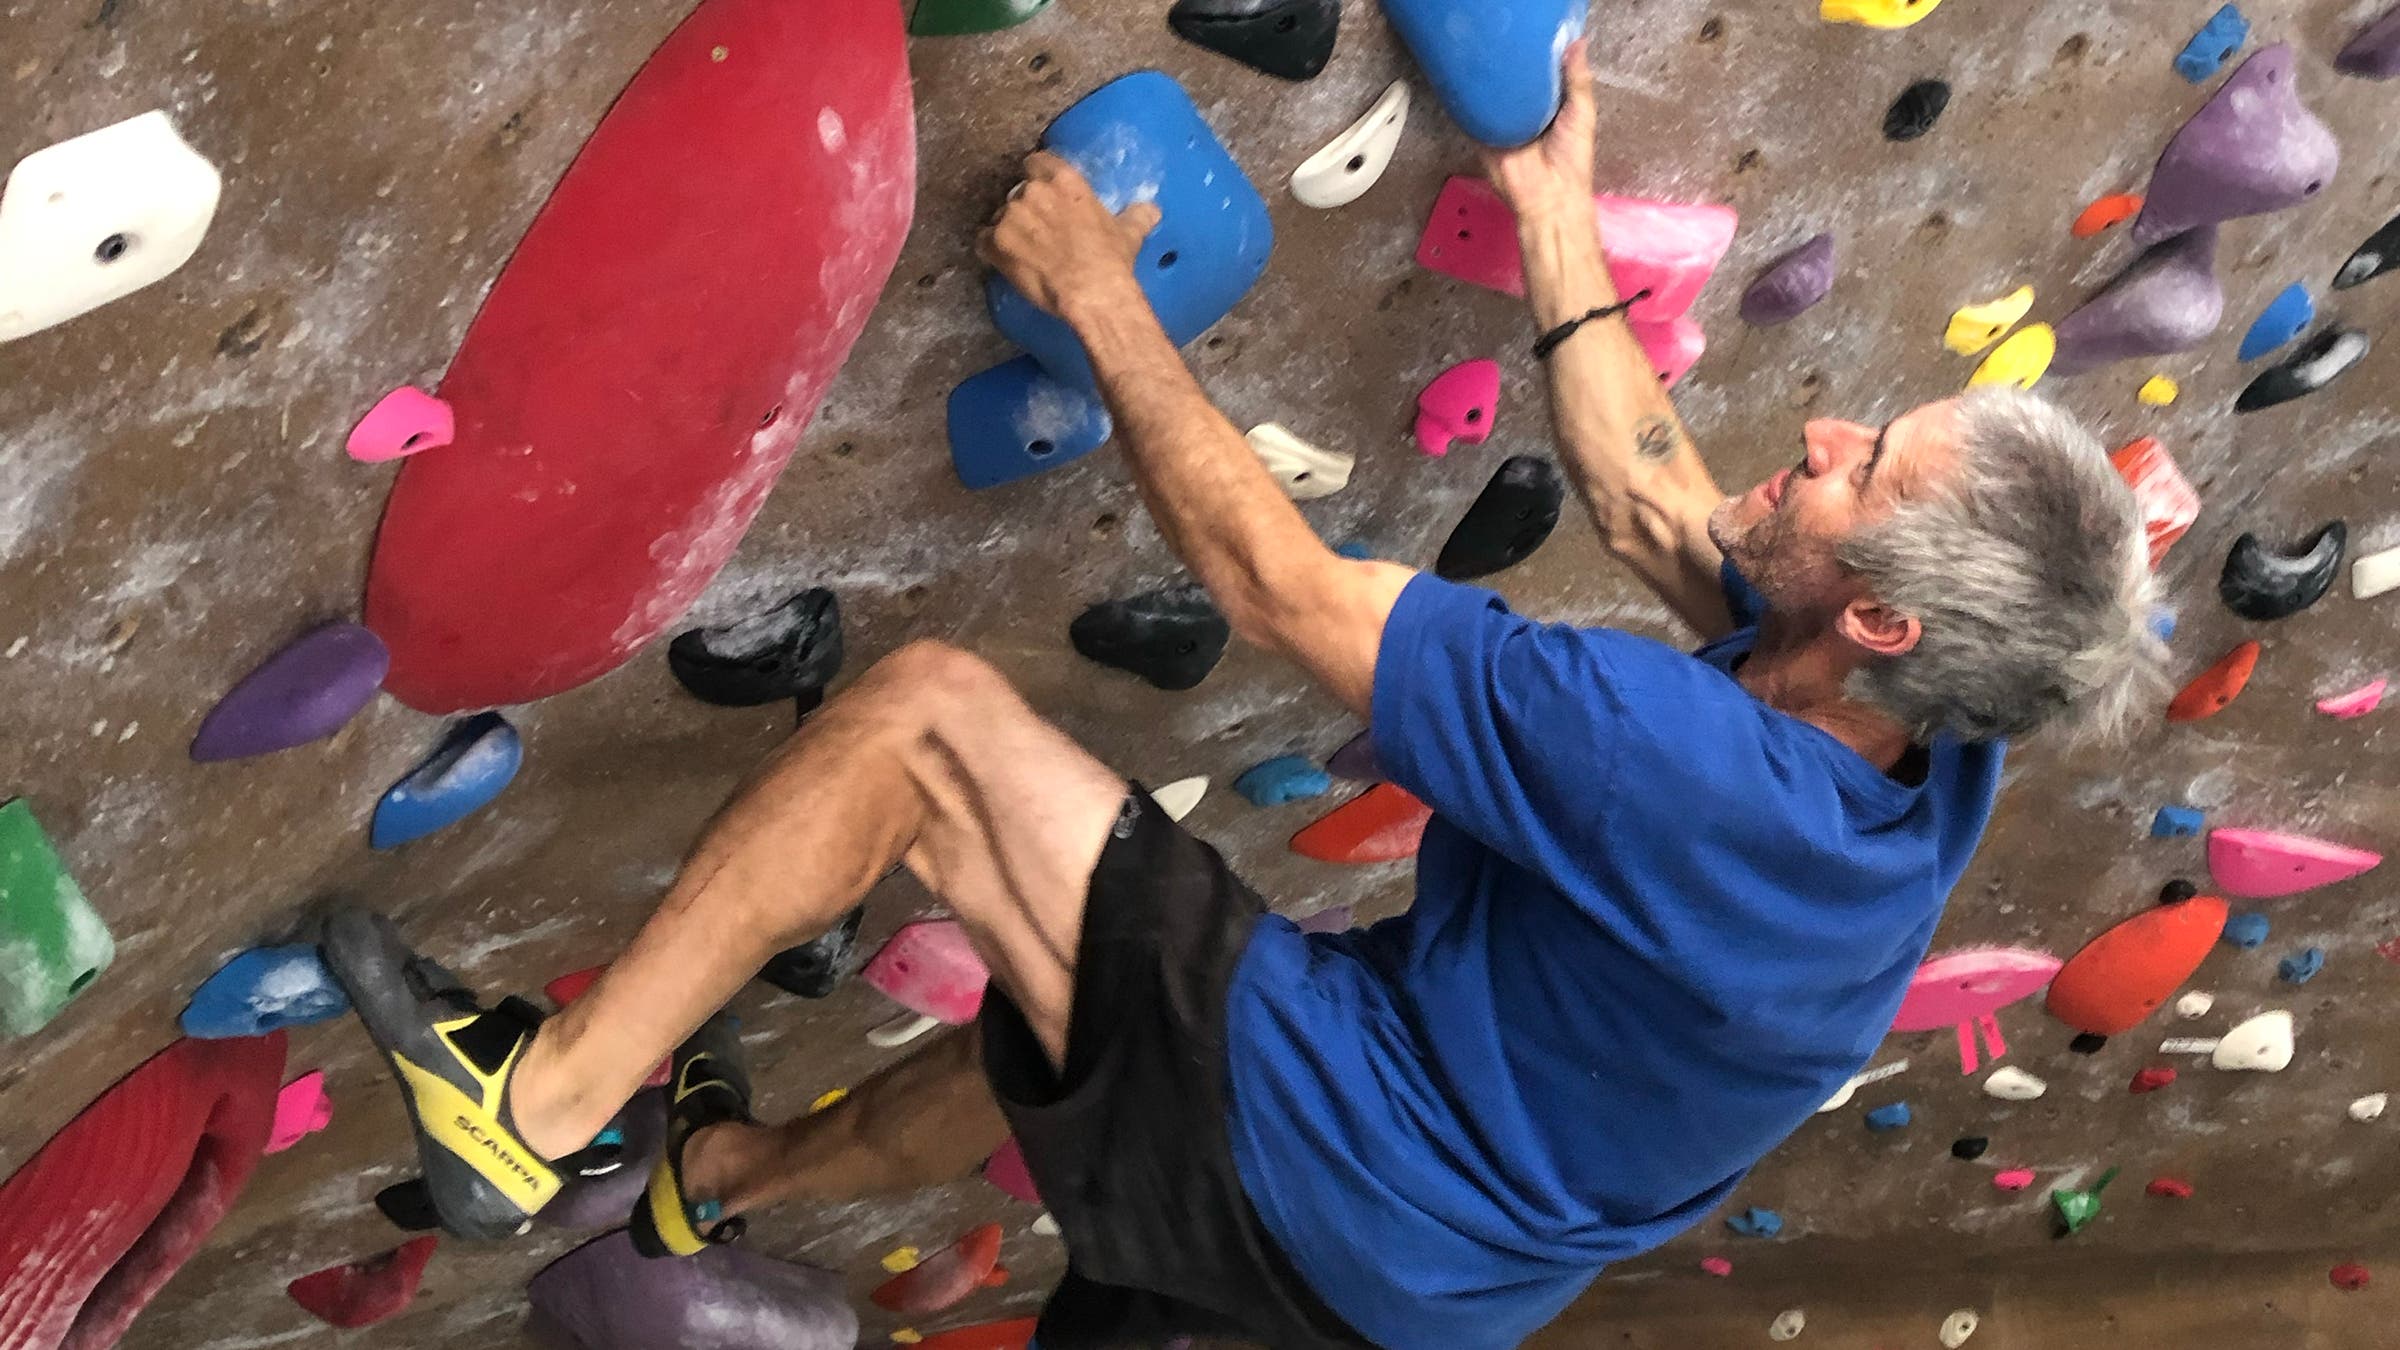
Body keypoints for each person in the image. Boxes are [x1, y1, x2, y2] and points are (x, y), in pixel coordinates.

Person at [323, 39, 2165, 1350]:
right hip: (1432, 1279)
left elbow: (1279, 586)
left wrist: (1104, 297)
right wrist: (1547, 199)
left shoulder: (1673, 755)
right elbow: (1651, 500)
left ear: (1893, 622)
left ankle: (533, 1112)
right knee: (1048, 1030)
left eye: (1862, 469)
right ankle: (708, 1174)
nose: (1825, 434)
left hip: (1347, 1162)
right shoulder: (1935, 743)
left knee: (933, 728)